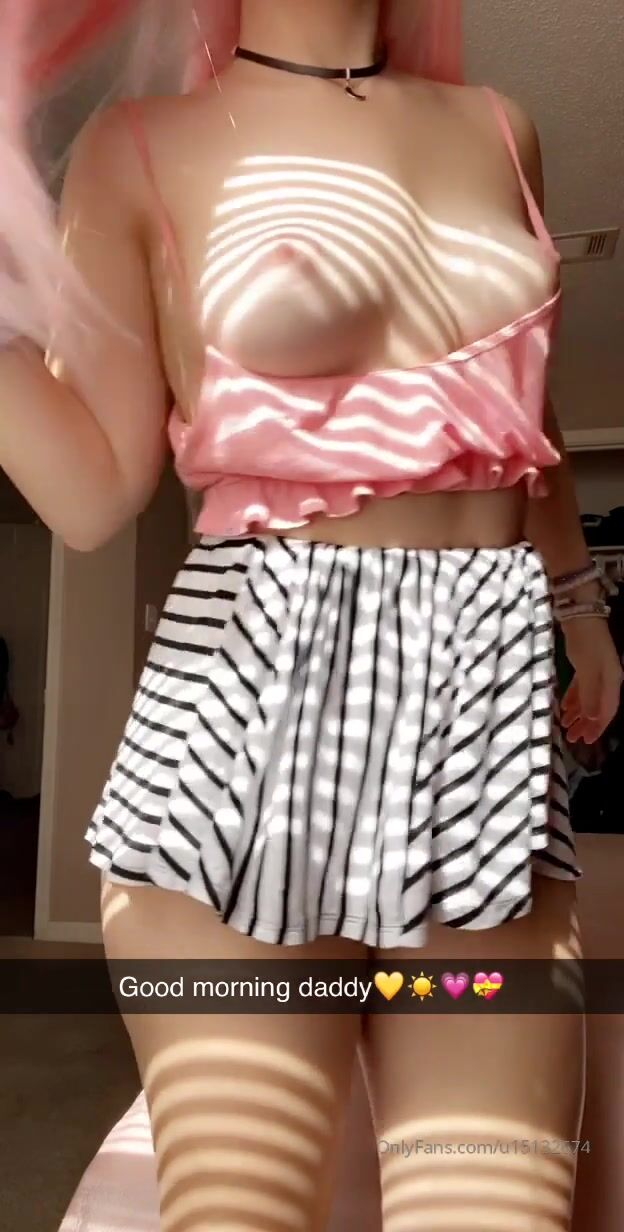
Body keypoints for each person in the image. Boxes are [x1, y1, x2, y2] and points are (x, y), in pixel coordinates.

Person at [1, 3, 622, 1229]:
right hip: (244, 748)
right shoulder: (141, 146)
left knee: (499, 1207)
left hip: (481, 740)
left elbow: (525, 417)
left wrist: (579, 606)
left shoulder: (503, 130)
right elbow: (92, 492)